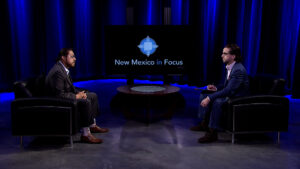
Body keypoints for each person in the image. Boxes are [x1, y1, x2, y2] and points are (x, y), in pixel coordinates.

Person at [46, 48, 109, 144]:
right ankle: (85, 135)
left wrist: (81, 93)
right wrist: (76, 96)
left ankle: (92, 125)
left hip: (65, 98)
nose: (75, 59)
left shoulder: (63, 68)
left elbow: (69, 88)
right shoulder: (58, 72)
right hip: (57, 103)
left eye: (74, 56)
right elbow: (59, 95)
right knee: (85, 101)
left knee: (92, 95)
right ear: (63, 58)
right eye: (72, 57)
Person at [190, 44, 249, 143]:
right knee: (204, 94)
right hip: (231, 93)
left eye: (225, 54)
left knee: (217, 101)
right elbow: (226, 85)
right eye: (223, 53)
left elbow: (229, 90)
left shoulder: (238, 70)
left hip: (237, 97)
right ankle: (204, 123)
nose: (222, 55)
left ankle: (213, 132)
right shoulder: (230, 66)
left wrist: (210, 98)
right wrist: (216, 88)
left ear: (233, 56)